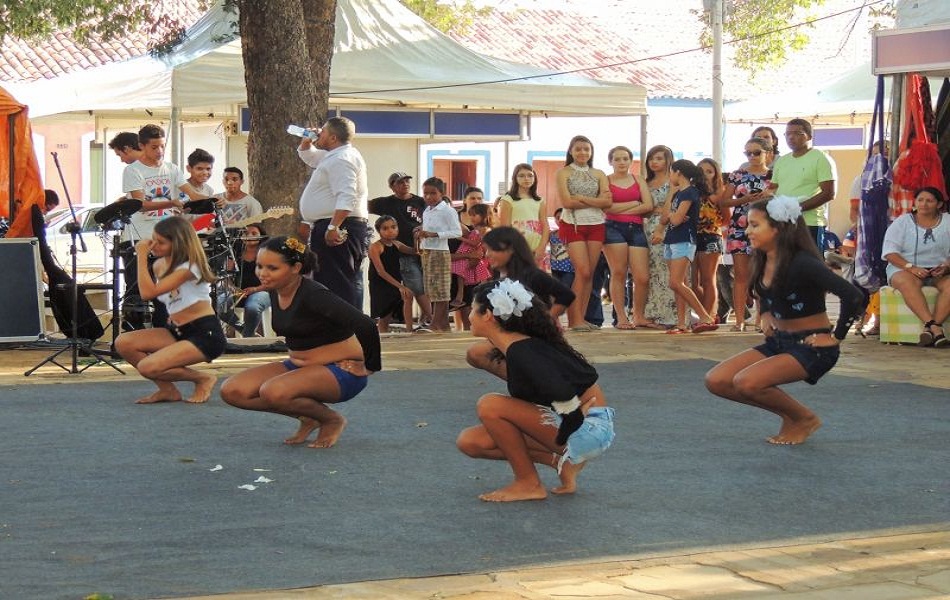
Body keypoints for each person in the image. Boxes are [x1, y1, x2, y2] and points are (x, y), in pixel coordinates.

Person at [704, 196, 865, 445]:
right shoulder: (763, 257)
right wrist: (767, 312)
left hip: (811, 347)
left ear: (778, 228)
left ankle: (804, 418)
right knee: (717, 380)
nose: (748, 231)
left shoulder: (804, 263)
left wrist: (835, 337)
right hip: (779, 341)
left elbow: (853, 296)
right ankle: (790, 415)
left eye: (755, 225)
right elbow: (765, 291)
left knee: (746, 382)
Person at [456, 279, 615, 502]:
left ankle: (528, 483)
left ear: (488, 315)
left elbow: (558, 387)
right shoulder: (520, 345)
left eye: (473, 309)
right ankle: (562, 463)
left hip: (588, 429)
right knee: (471, 441)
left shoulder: (523, 351)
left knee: (490, 404)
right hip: (586, 427)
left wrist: (572, 413)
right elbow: (478, 353)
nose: (469, 315)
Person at [219, 236, 381, 448]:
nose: (262, 273)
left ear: (295, 267)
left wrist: (369, 366)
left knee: (272, 391)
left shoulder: (314, 294)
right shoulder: (275, 290)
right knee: (233, 391)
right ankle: (309, 417)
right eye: (259, 266)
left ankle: (330, 420)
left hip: (340, 371)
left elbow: (365, 324)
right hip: (298, 366)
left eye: (272, 268)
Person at [114, 216, 225, 404]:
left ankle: (202, 378)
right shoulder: (159, 265)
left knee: (148, 367)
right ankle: (168, 391)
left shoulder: (190, 267)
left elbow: (148, 293)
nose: (154, 245)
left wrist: (141, 256)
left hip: (204, 333)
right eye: (154, 239)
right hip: (177, 331)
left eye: (161, 242)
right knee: (124, 342)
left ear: (178, 244)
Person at [119, 123, 206, 329]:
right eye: (154, 147)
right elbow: (140, 204)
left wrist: (212, 200)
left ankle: (164, 332)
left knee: (166, 290)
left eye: (161, 146)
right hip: (139, 236)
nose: (159, 151)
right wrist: (172, 202)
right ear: (142, 146)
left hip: (166, 239)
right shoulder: (133, 170)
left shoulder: (172, 168)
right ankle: (135, 332)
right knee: (136, 290)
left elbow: (193, 195)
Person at [466, 226, 575, 376]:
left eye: (493, 250)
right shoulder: (499, 277)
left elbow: (566, 295)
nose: (488, 255)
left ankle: (536, 380)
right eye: (487, 250)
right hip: (513, 336)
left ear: (511, 250)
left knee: (477, 352)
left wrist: (549, 318)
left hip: (534, 336)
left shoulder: (532, 275)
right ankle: (527, 380)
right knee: (475, 353)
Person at [296, 116, 370, 308]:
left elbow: (347, 195)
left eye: (324, 132)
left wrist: (333, 226)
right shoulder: (336, 156)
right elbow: (309, 157)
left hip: (339, 224)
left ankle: (345, 331)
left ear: (333, 138)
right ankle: (336, 329)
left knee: (338, 281)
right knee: (329, 279)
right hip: (329, 223)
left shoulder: (342, 159)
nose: (319, 133)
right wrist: (307, 140)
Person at [651, 159, 717, 334]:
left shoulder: (690, 192)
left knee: (676, 282)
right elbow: (666, 218)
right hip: (672, 239)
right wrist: (673, 214)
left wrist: (673, 215)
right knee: (680, 283)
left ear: (678, 172)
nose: (670, 176)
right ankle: (682, 323)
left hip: (683, 240)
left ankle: (705, 316)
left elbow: (676, 219)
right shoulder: (677, 194)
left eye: (671, 172)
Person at [881, 187, 950, 347]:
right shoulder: (902, 222)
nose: (924, 204)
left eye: (929, 201)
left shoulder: (947, 221)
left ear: (939, 204)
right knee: (906, 282)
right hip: (905, 268)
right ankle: (934, 327)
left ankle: (931, 328)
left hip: (938, 271)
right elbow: (890, 253)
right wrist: (911, 267)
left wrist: (946, 266)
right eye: (920, 200)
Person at [556, 135, 612, 331]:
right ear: (571, 151)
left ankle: (581, 317)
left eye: (586, 149)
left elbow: (608, 202)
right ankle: (574, 319)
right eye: (578, 148)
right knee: (583, 271)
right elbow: (567, 202)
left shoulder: (599, 173)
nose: (582, 152)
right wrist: (594, 200)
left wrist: (580, 198)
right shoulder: (563, 173)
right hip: (573, 224)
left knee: (589, 275)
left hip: (596, 224)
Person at [368, 172, 432, 325]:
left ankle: (423, 320)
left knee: (424, 287)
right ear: (392, 187)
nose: (405, 184)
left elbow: (433, 216)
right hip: (399, 254)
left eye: (406, 181)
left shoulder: (420, 201)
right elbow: (361, 205)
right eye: (399, 182)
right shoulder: (385, 203)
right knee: (415, 287)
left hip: (420, 249)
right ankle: (431, 318)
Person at [603, 145, 655, 330]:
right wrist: (634, 204)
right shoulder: (606, 180)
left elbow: (648, 205)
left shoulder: (638, 179)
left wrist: (622, 207)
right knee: (618, 272)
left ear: (630, 161)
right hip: (612, 228)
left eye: (625, 158)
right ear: (611, 162)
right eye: (617, 159)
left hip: (636, 228)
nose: (621, 162)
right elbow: (606, 208)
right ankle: (622, 318)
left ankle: (638, 315)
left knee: (642, 277)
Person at [724, 137, 773, 331]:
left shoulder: (774, 175)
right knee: (741, 275)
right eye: (748, 153)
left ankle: (761, 318)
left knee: (762, 274)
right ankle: (739, 320)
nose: (752, 156)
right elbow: (724, 201)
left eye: (757, 152)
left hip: (764, 228)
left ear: (767, 153)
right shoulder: (738, 175)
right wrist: (743, 199)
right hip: (740, 227)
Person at [769, 118, 837, 250]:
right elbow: (773, 189)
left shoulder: (820, 158)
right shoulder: (782, 161)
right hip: (783, 222)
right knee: (785, 265)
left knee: (810, 266)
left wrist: (796, 208)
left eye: (797, 133)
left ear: (809, 136)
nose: (791, 137)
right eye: (787, 134)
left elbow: (829, 193)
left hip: (809, 223)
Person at [417, 177, 462, 332]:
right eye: (426, 193)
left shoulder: (448, 211)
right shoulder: (427, 211)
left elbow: (457, 232)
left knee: (440, 288)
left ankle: (436, 322)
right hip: (427, 251)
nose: (428, 197)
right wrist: (421, 232)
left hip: (440, 252)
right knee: (431, 288)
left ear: (442, 193)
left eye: (433, 193)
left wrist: (434, 234)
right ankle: (443, 324)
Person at [642, 145, 678, 327]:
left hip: (666, 226)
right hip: (645, 226)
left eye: (659, 158)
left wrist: (661, 227)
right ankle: (652, 312)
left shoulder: (673, 180)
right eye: (651, 159)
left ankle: (671, 314)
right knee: (650, 271)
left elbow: (670, 205)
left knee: (667, 270)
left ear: (667, 160)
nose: (654, 162)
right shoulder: (645, 182)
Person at [217, 223, 271, 338]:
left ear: (261, 236)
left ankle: (247, 336)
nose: (249, 235)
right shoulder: (234, 253)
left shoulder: (267, 254)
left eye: (254, 233)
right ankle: (246, 332)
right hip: (238, 292)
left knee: (252, 308)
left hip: (261, 291)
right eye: (246, 233)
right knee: (221, 305)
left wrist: (255, 289)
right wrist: (233, 288)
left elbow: (273, 280)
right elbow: (225, 276)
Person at [368, 216, 416, 334]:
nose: (390, 231)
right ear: (379, 231)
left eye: (393, 227)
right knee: (384, 316)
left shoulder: (396, 244)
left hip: (394, 281)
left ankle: (410, 330)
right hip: (380, 283)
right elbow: (380, 271)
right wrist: (401, 286)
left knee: (408, 296)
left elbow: (415, 251)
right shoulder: (376, 247)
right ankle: (382, 336)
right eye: (385, 228)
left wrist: (417, 237)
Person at [693, 158, 727, 319]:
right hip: (691, 237)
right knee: (692, 282)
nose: (705, 174)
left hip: (711, 237)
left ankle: (707, 317)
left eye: (709, 171)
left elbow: (727, 218)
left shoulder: (720, 193)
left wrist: (712, 224)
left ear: (715, 174)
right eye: (702, 171)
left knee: (708, 279)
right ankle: (707, 313)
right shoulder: (691, 190)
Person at [497, 163, 550, 268]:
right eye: (521, 175)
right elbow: (505, 228)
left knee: (538, 280)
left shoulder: (540, 201)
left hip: (537, 245)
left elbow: (545, 225)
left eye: (530, 175)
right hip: (517, 246)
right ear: (515, 178)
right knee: (519, 280)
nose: (526, 178)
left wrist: (541, 247)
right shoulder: (507, 199)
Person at [450, 203, 492, 311]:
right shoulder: (474, 229)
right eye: (471, 215)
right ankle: (460, 294)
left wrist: (461, 239)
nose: (471, 218)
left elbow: (475, 243)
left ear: (483, 215)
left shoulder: (485, 229)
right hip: (469, 255)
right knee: (458, 269)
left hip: (478, 257)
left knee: (482, 277)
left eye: (474, 215)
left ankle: (482, 297)